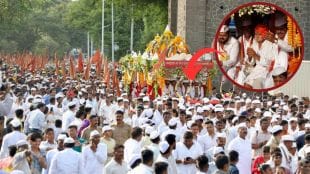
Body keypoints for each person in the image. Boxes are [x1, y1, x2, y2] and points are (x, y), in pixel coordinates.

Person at [244, 24, 276, 89]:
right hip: (256, 70)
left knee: (256, 84)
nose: (257, 36)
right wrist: (249, 57)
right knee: (246, 85)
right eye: (256, 34)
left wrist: (255, 55)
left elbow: (269, 64)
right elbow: (251, 63)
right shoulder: (254, 43)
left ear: (265, 35)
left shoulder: (270, 45)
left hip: (265, 72)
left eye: (259, 34)